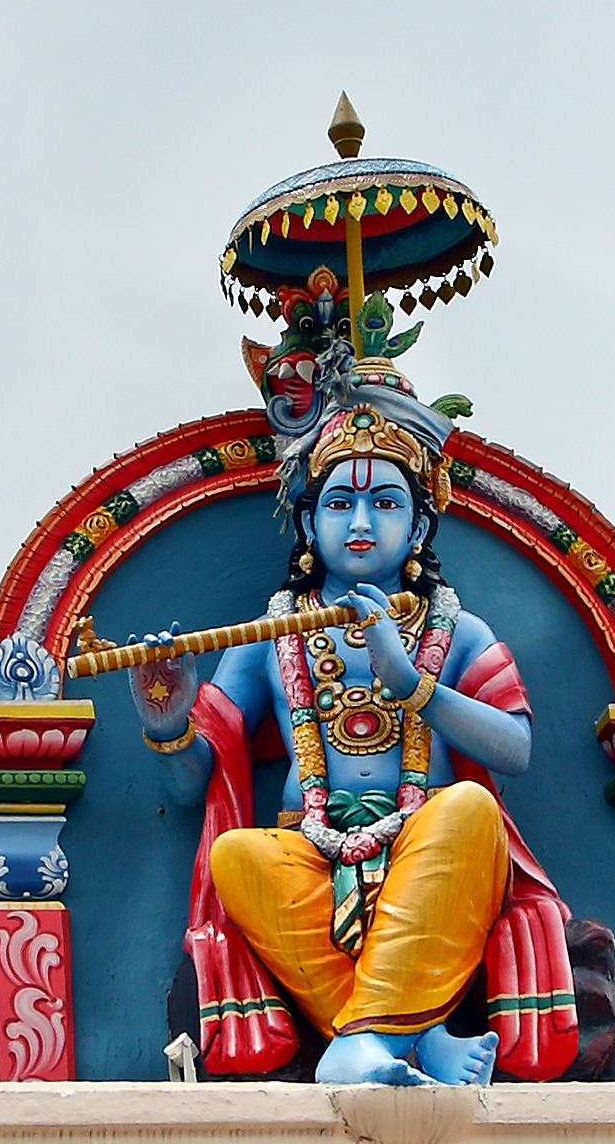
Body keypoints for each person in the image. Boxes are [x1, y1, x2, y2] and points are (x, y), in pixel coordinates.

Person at [132, 349, 566, 1086]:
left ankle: (359, 1040)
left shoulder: (456, 629)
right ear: (308, 521)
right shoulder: (275, 633)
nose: (361, 523)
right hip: (313, 846)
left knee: (468, 811)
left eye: (386, 502)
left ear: (421, 525)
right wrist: (170, 717)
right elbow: (195, 775)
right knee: (239, 856)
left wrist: (412, 683)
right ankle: (410, 1040)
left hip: (424, 841)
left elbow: (514, 746)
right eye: (339, 503)